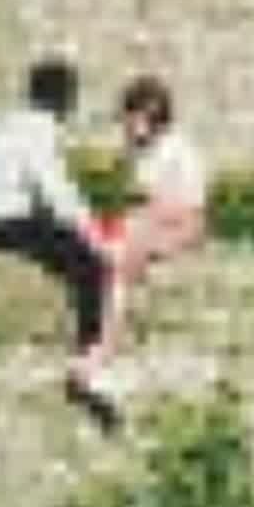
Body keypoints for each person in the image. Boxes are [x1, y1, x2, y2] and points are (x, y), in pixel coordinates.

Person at [0, 56, 122, 424]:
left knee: (66, 244)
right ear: (65, 99)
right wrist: (97, 237)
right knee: (93, 269)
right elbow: (58, 193)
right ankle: (89, 368)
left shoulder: (6, 123)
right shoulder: (40, 130)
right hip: (8, 222)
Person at [92, 74, 209, 376]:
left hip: (179, 224)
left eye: (132, 120)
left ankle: (107, 344)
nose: (127, 128)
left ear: (149, 116)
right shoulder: (137, 151)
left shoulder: (178, 150)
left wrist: (142, 209)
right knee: (95, 240)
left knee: (124, 253)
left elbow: (188, 207)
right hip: (143, 220)